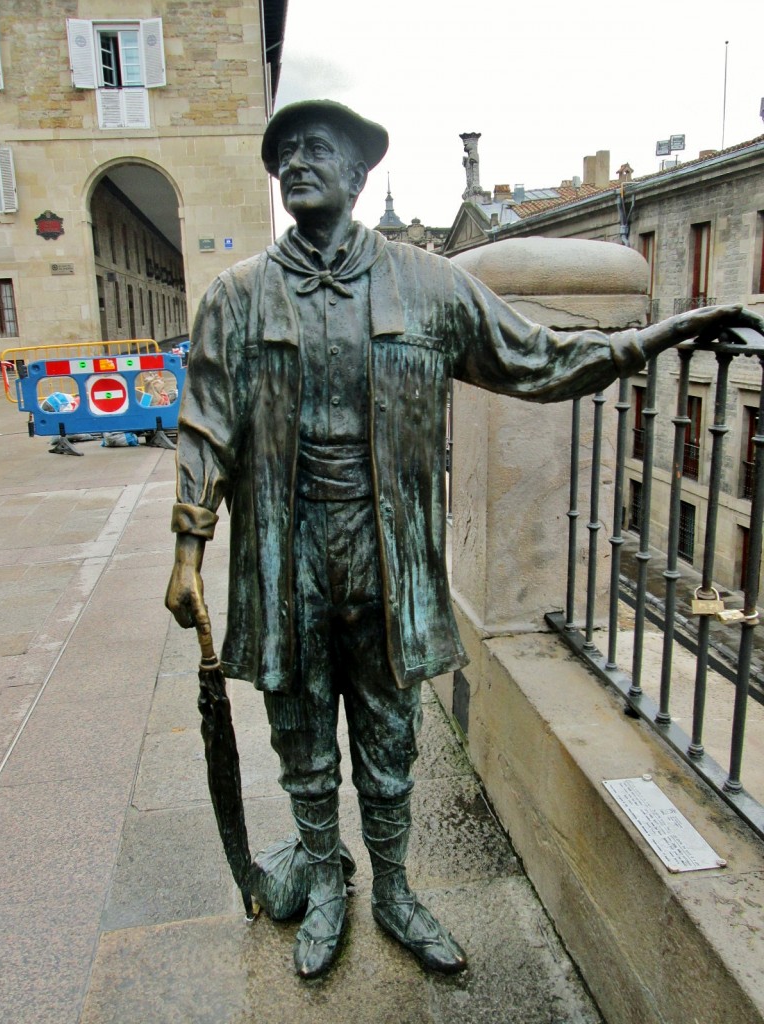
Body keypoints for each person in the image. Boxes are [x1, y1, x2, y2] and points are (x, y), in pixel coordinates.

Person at [165, 100, 763, 979]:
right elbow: (206, 425)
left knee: (390, 734)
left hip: (388, 558)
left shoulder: (426, 284)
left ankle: (398, 888)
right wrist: (189, 553)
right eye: (284, 152)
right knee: (299, 734)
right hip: (283, 556)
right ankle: (328, 879)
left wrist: (657, 335)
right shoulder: (236, 294)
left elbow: (539, 361)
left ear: (360, 173)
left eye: (316, 149)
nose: (295, 162)